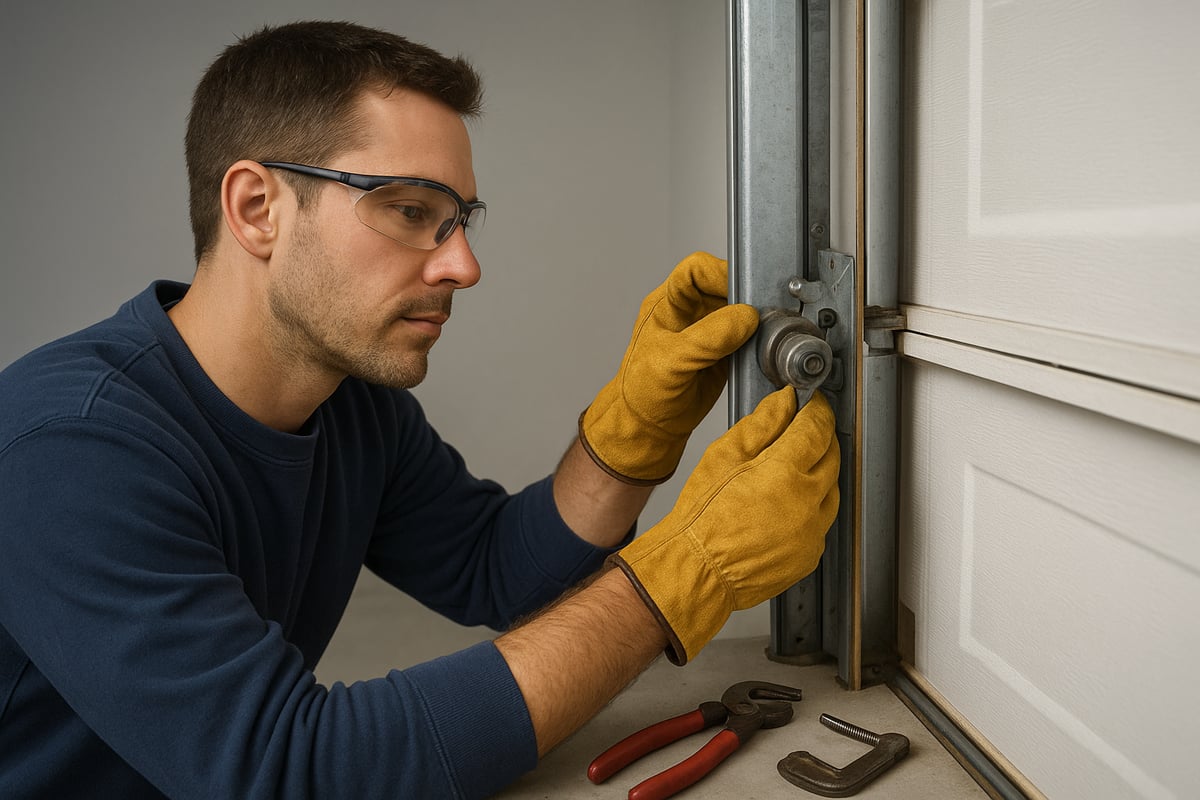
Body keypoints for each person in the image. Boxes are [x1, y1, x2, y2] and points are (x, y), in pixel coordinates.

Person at [0, 20, 839, 800]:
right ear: (257, 209)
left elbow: (496, 568)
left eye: (459, 220)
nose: (464, 266)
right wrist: (681, 576)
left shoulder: (349, 405)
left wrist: (632, 440)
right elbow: (294, 771)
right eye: (411, 212)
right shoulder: (70, 447)